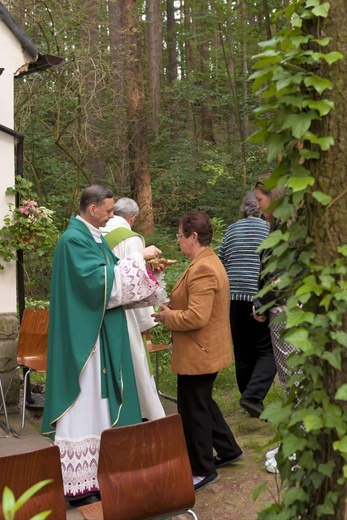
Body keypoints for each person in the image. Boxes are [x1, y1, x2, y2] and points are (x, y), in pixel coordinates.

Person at [41, 185, 163, 507]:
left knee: (101, 405)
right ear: (92, 208)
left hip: (99, 335)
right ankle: (79, 484)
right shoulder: (73, 240)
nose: (112, 216)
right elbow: (96, 283)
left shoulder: (93, 237)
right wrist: (138, 258)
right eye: (108, 211)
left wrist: (146, 270)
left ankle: (98, 472)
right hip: (84, 341)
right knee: (86, 402)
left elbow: (112, 279)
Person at [152, 210, 243, 492]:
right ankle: (228, 449)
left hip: (199, 351)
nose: (178, 241)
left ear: (193, 236)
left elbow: (196, 317)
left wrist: (168, 316)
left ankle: (203, 469)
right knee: (201, 402)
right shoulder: (203, 262)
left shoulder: (204, 267)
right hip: (204, 349)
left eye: (180, 236)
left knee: (192, 410)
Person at [101, 197, 165, 420]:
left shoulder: (96, 233)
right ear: (133, 218)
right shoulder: (132, 238)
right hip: (125, 310)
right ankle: (143, 411)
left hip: (101, 308)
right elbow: (138, 280)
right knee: (135, 361)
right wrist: (147, 320)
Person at [253, 178, 299, 474]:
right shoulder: (276, 231)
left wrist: (263, 302)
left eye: (260, 199)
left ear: (276, 198)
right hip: (277, 313)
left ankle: (300, 449)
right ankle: (294, 440)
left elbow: (283, 279)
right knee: (287, 379)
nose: (257, 205)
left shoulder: (289, 236)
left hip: (289, 314)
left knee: (296, 378)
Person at [219, 190, 277, 418]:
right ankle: (252, 397)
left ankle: (248, 397)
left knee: (242, 350)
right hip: (259, 298)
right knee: (266, 349)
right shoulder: (268, 230)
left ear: (244, 208)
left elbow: (222, 261)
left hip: (234, 298)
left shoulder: (232, 229)